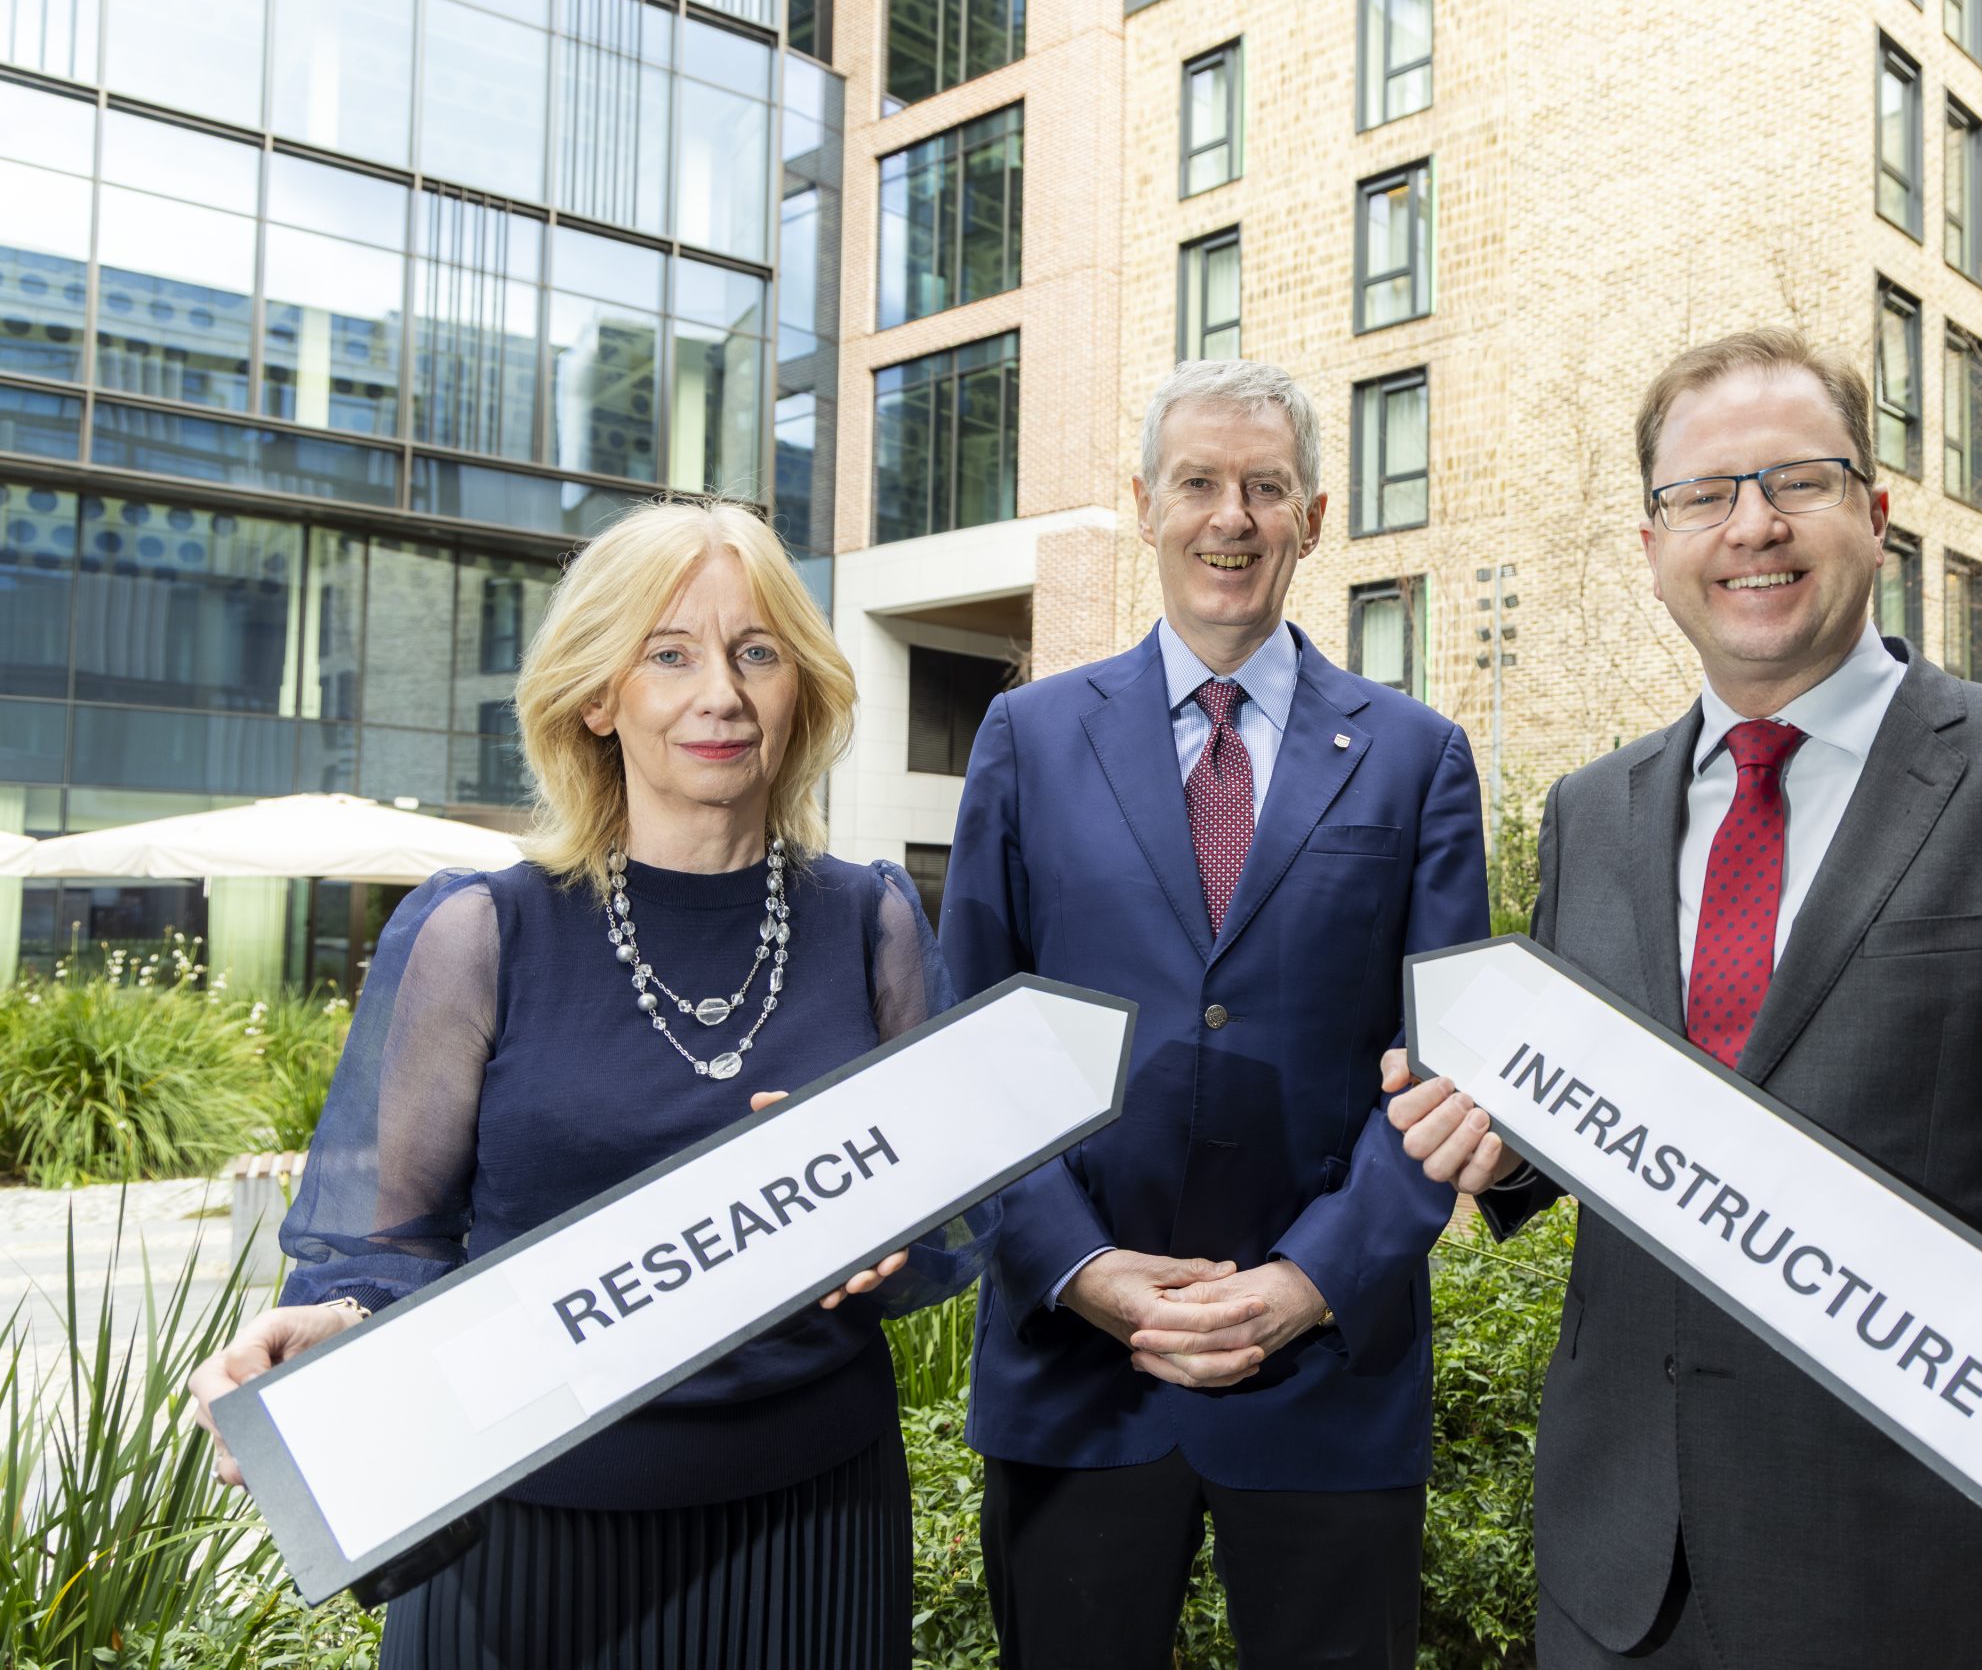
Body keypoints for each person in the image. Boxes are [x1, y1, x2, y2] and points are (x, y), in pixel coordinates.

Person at [1384, 328, 1982, 1667]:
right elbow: (1604, 1117)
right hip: (1623, 1575)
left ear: (1876, 513)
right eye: (1703, 494)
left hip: (1926, 1581)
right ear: (1652, 545)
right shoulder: (1589, 812)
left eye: (1798, 480)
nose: (1753, 526)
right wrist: (1499, 1144)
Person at [188, 500, 988, 1669]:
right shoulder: (477, 930)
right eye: (669, 654)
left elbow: (949, 1221)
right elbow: (388, 1247)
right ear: (597, 697)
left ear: (801, 689)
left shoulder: (873, 919)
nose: (720, 693)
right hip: (522, 1529)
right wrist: (339, 1323)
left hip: (816, 1515)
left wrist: (885, 1231)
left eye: (755, 652)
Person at [940, 358, 1489, 1669]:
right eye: (1197, 483)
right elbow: (969, 1047)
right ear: (1144, 505)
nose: (1230, 517)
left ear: (1315, 517)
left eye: (1265, 487)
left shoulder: (1416, 757)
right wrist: (1084, 1272)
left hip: (1328, 1374)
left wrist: (1310, 1282)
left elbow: (1448, 1067)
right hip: (1075, 1373)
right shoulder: (1027, 737)